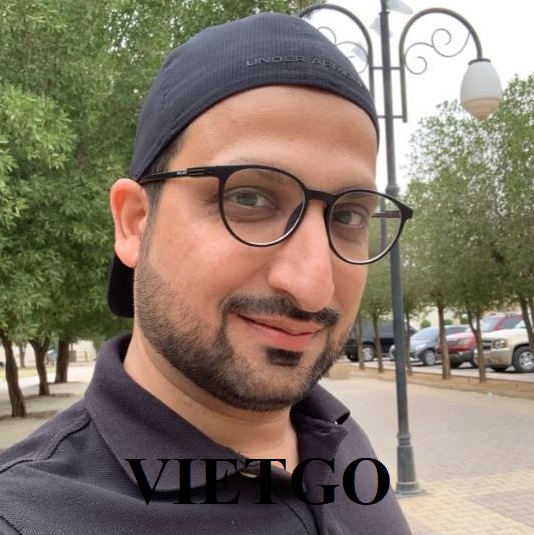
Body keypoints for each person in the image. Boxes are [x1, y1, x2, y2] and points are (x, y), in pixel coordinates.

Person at [0, 12, 413, 535]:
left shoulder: (340, 441)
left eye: (348, 216)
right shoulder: (27, 517)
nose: (313, 287)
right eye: (250, 198)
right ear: (135, 223)